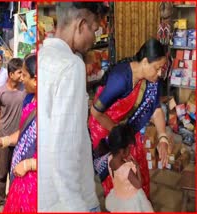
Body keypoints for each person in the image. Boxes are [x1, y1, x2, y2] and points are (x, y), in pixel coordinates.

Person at [38, 2, 108, 212]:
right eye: (94, 30)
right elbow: (64, 151)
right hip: (67, 200)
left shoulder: (42, 57)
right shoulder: (71, 65)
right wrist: (77, 206)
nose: (94, 39)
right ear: (81, 25)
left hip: (46, 194)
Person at [89, 38, 169, 198]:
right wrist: (120, 134)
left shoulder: (151, 81)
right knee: (117, 174)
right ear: (145, 62)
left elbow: (155, 109)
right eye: (157, 68)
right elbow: (95, 111)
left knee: (138, 168)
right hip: (106, 128)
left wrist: (162, 137)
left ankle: (138, 204)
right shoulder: (120, 79)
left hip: (127, 129)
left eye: (162, 69)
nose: (160, 73)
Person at [0, 53, 37, 212]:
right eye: (20, 74)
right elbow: (21, 132)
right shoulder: (29, 99)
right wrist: (2, 140)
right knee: (2, 172)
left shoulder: (49, 108)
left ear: (35, 80)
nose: (22, 79)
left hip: (35, 183)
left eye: (25, 74)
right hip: (21, 175)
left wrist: (30, 164)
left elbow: (56, 156)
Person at [0, 58, 26, 212]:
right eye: (19, 72)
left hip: (20, 139)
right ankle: (1, 201)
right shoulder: (0, 92)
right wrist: (0, 133)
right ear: (11, 74)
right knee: (2, 172)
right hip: (4, 139)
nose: (22, 75)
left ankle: (13, 198)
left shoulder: (25, 90)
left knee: (17, 171)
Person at [103, 124, 154, 212]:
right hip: (132, 202)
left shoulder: (110, 159)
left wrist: (125, 159)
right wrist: (137, 167)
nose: (130, 150)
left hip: (119, 196)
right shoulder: (127, 170)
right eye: (129, 148)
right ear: (122, 151)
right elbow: (138, 185)